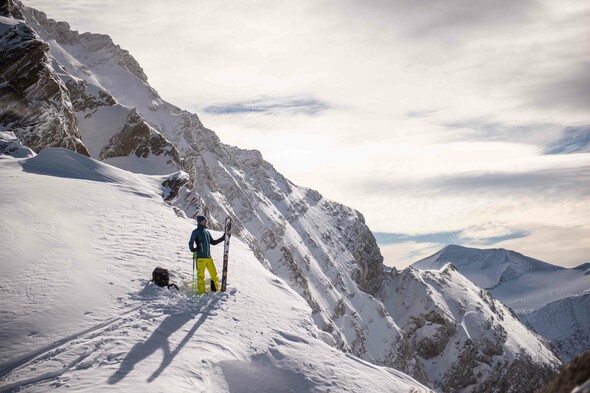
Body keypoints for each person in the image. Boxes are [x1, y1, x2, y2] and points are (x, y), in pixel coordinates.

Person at [188, 215, 225, 294]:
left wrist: (223, 238)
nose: (206, 222)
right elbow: (190, 242)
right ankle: (202, 292)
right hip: (200, 258)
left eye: (206, 220)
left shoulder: (207, 232)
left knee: (214, 274)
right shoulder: (195, 232)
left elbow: (213, 242)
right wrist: (193, 249)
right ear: (200, 222)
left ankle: (214, 290)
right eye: (204, 221)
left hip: (208, 258)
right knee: (201, 276)